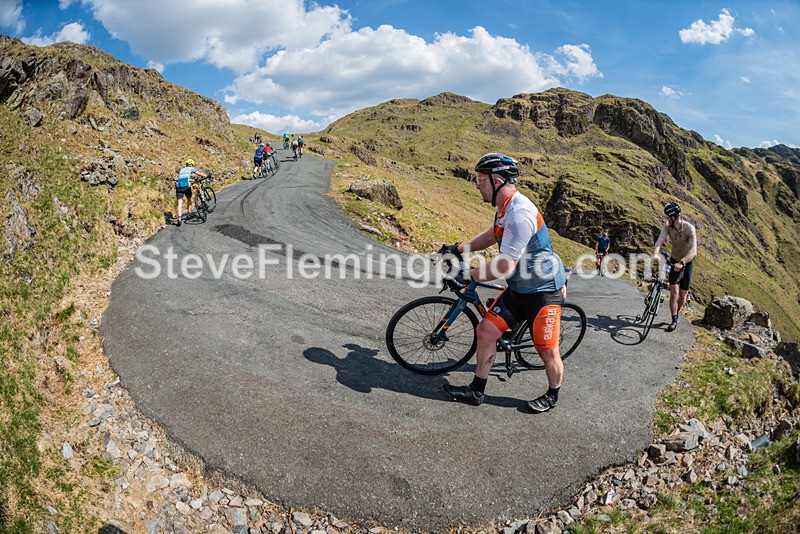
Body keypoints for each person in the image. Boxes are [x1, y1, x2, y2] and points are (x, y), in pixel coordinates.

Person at [442, 153, 567, 413]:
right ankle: (476, 391)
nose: (477, 184)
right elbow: (491, 235)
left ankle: (552, 395)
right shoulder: (505, 208)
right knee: (486, 332)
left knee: (546, 351)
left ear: (496, 180)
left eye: (480, 179)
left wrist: (468, 275)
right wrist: (459, 247)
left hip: (543, 292)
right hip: (519, 289)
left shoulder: (520, 213)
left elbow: (504, 265)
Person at [653, 201, 697, 332]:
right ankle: (674, 319)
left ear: (673, 217)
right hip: (674, 260)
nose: (667, 219)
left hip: (687, 262)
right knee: (674, 293)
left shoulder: (689, 228)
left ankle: (677, 311)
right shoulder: (667, 227)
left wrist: (682, 262)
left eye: (668, 216)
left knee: (683, 295)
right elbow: (660, 240)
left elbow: (693, 251)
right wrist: (656, 253)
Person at [175, 159, 206, 227]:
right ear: (191, 165)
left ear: (186, 164)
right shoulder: (191, 169)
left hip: (179, 187)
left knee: (179, 203)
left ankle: (179, 218)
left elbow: (184, 178)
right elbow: (199, 173)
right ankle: (189, 214)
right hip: (186, 187)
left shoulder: (182, 170)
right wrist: (206, 176)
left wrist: (192, 180)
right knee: (189, 199)